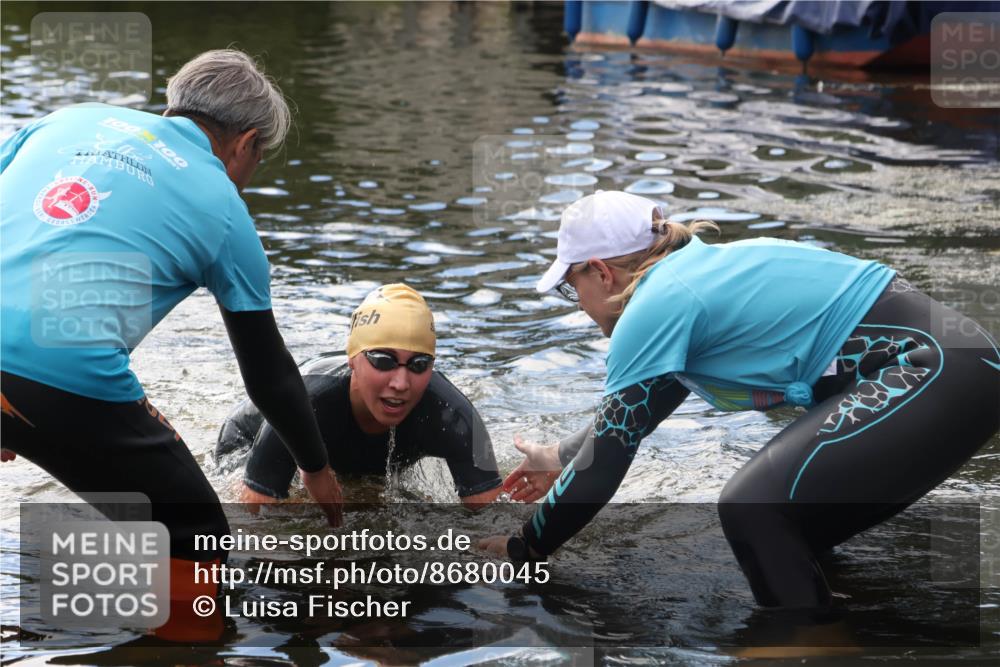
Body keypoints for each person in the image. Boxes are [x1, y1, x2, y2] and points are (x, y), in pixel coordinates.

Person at [480, 190, 999, 613]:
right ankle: (848, 627)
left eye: (571, 287)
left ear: (600, 271)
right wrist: (560, 456)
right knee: (794, 532)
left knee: (755, 508)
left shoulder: (654, 306)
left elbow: (607, 461)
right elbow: (637, 415)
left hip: (929, 368)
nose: (580, 305)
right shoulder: (695, 276)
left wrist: (525, 549)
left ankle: (805, 647)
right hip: (965, 364)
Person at [0, 49, 342, 641]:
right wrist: (316, 470)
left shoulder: (65, 120)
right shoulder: (223, 207)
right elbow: (269, 376)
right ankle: (181, 651)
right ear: (246, 144)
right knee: (196, 532)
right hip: (59, 374)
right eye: (257, 160)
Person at [221, 283, 502, 508]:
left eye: (419, 364)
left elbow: (493, 519)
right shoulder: (309, 402)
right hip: (246, 441)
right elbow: (254, 525)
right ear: (353, 358)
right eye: (383, 360)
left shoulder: (453, 416)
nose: (401, 383)